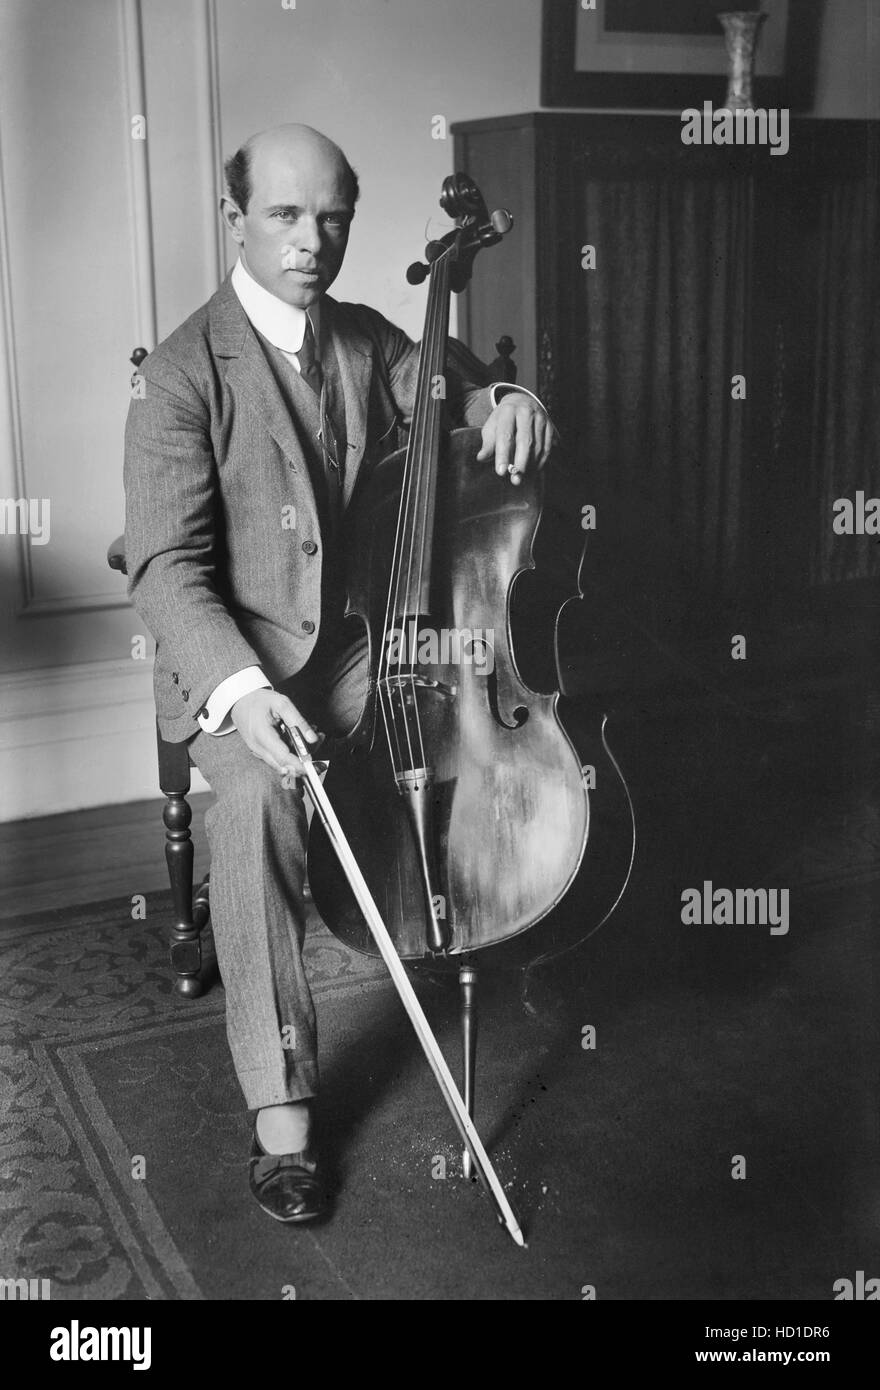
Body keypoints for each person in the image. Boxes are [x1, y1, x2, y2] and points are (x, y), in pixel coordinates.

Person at [124, 123, 556, 1223]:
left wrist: (503, 403)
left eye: (332, 218)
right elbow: (165, 566)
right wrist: (241, 691)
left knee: (451, 692)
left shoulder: (362, 338)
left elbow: (446, 387)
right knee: (260, 798)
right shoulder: (180, 373)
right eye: (284, 215)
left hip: (354, 651)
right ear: (236, 220)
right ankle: (283, 1117)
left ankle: (460, 905)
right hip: (237, 665)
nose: (311, 240)